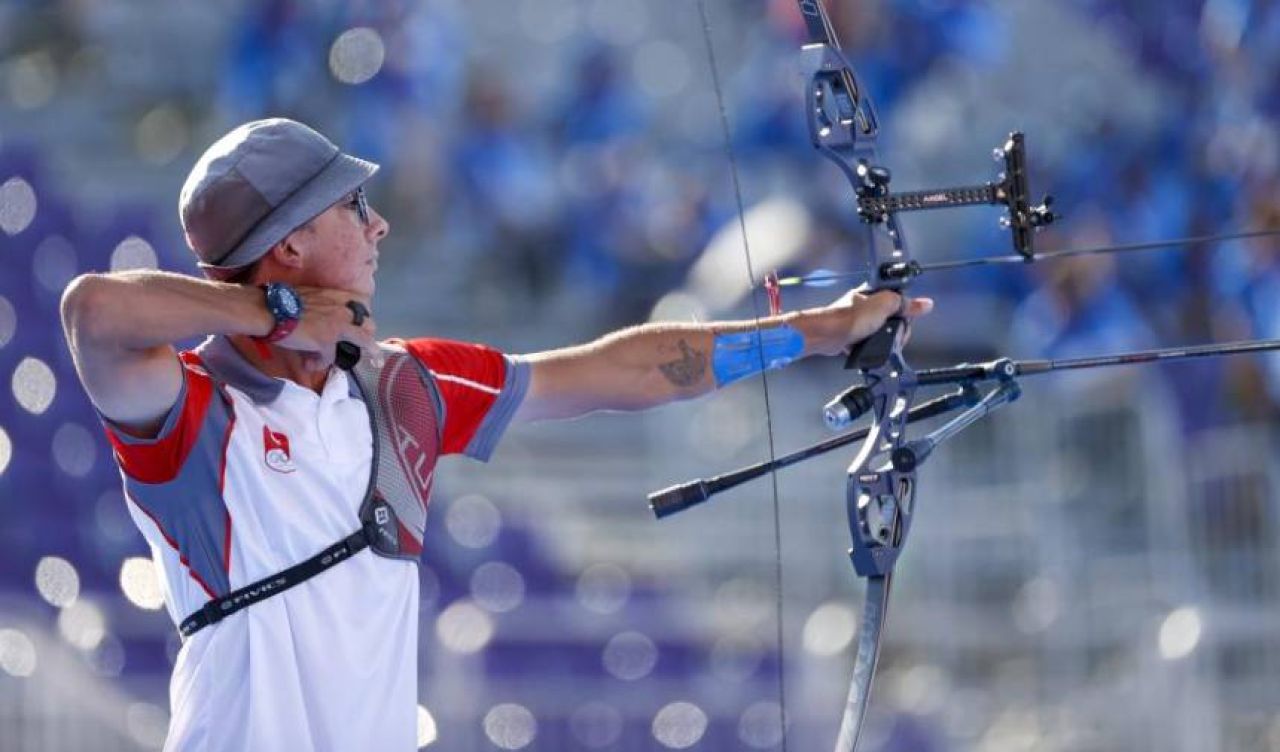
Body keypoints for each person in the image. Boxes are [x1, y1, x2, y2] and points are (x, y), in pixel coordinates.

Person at [59, 118, 932, 751]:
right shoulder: (195, 410)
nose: (379, 223)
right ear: (287, 245)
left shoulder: (402, 384)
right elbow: (94, 310)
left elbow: (624, 369)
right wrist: (285, 315)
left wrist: (818, 332)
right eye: (353, 205)